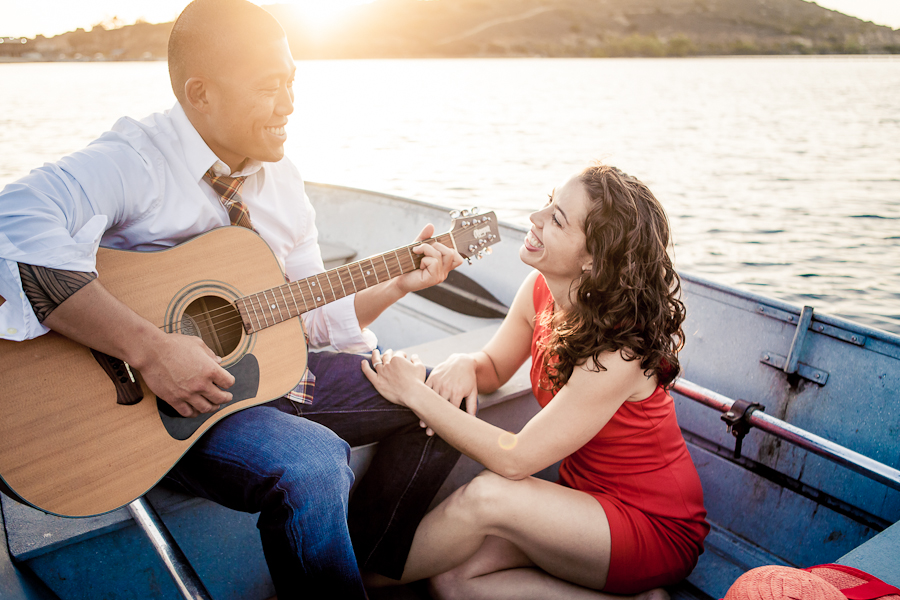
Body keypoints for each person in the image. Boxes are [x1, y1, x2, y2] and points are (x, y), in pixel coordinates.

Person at [0, 0, 463, 597]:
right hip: (155, 414)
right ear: (201, 94)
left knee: (445, 406)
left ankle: (365, 569)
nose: (290, 105)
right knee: (314, 462)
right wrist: (150, 349)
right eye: (270, 88)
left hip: (257, 382)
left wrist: (399, 283)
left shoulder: (283, 182)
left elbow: (311, 314)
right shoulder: (134, 160)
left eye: (292, 82)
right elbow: (12, 222)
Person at [361, 164, 710, 599]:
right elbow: (493, 367)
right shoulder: (539, 289)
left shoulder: (621, 352)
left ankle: (341, 588)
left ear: (594, 258)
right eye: (547, 202)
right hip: (582, 506)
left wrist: (412, 391)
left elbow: (516, 459)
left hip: (653, 527)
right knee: (452, 582)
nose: (535, 218)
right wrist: (467, 363)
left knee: (487, 496)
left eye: (557, 218)